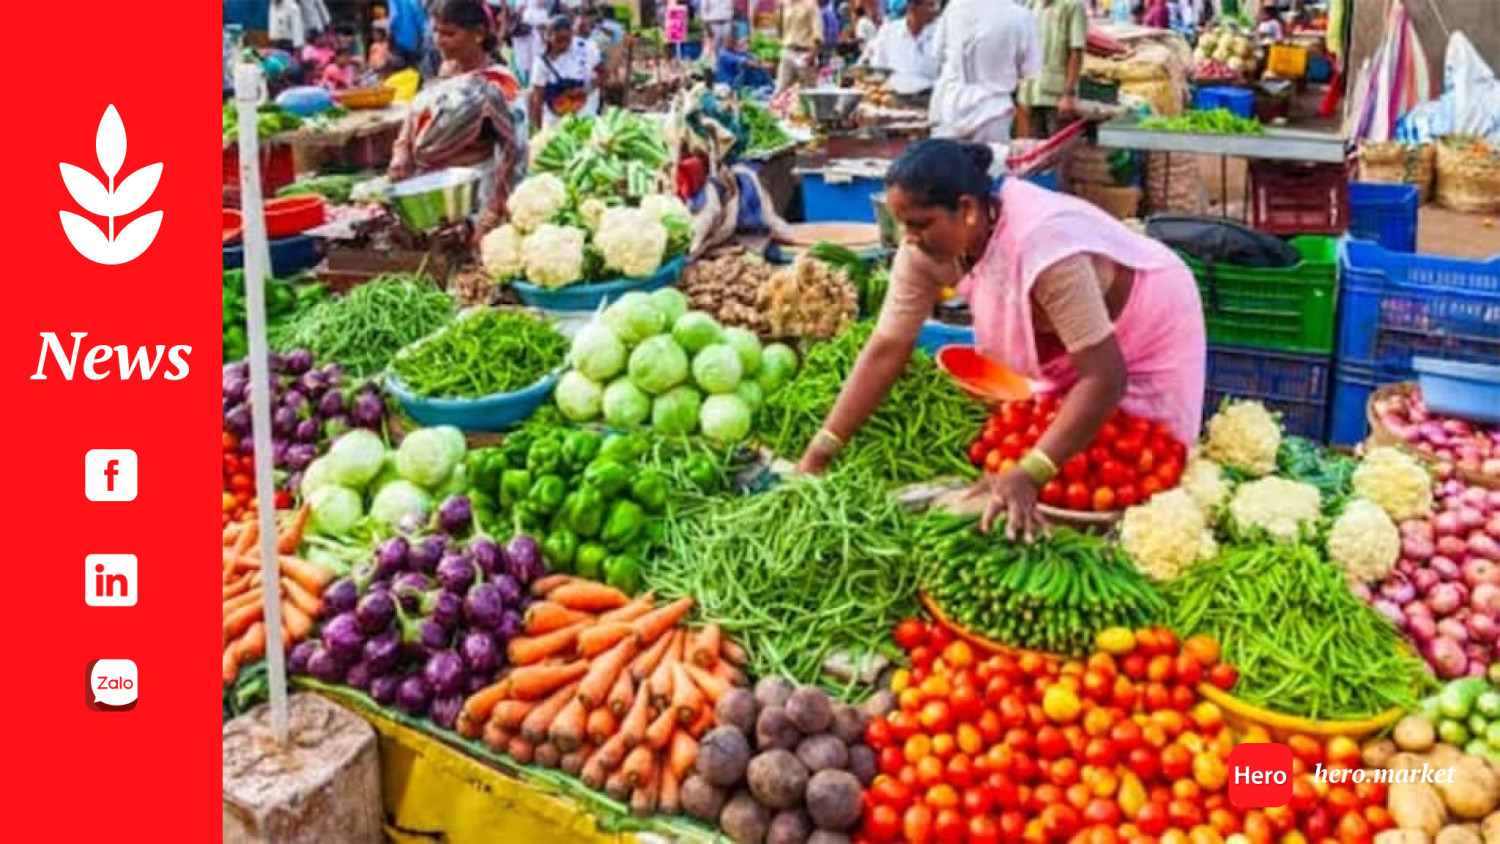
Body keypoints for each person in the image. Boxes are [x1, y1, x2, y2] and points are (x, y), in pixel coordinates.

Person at [796, 140, 1205, 538]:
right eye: (903, 224)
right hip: (1068, 343)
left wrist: (1031, 472)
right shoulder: (922, 252)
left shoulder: (1042, 244)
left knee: (1145, 465)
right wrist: (821, 451)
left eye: (920, 223)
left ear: (968, 210)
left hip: (1148, 318)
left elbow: (1104, 378)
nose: (909, 238)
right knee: (1071, 453)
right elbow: (887, 348)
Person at [388, 0, 523, 241]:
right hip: (427, 193)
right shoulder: (441, 70)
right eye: (437, 31)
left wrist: (492, 214)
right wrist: (401, 152)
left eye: (449, 33)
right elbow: (415, 112)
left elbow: (516, 153)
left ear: (478, 34)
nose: (439, 40)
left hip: (473, 198)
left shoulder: (498, 84)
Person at [929, 0, 1040, 143]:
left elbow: (938, 53)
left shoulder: (954, 7)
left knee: (945, 162)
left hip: (949, 107)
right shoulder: (1021, 17)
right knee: (990, 162)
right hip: (993, 113)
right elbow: (1029, 70)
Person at [1021, 0, 1087, 140]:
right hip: (1033, 92)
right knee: (1036, 148)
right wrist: (1024, 94)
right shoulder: (1032, 5)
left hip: (1057, 95)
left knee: (1057, 148)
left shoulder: (1072, 6)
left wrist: (1068, 94)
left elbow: (1076, 52)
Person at [529, 14, 604, 130]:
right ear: (548, 37)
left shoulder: (586, 48)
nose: (563, 45)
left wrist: (586, 89)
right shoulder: (541, 61)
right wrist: (538, 132)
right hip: (554, 119)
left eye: (567, 40)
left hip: (584, 114)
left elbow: (604, 73)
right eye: (559, 40)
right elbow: (537, 98)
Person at [863, 0, 939, 96]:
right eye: (930, 5)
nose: (936, 10)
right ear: (912, 7)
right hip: (893, 98)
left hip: (929, 98)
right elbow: (879, 67)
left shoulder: (941, 34)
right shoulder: (889, 32)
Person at [777, 0, 825, 92]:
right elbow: (781, 29)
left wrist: (812, 55)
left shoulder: (811, 5)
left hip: (805, 53)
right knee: (781, 90)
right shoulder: (785, 5)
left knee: (808, 92)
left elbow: (818, 33)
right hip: (788, 51)